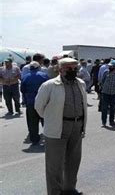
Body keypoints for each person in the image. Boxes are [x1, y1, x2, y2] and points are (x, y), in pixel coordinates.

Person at [35, 58, 88, 195]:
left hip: (77, 127)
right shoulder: (49, 85)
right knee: (54, 166)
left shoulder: (81, 83)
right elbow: (39, 107)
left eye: (74, 68)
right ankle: (54, 192)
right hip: (57, 128)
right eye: (68, 68)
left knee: (73, 162)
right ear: (60, 69)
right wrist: (52, 119)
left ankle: (69, 190)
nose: (72, 71)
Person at [20, 61, 48, 144]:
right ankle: (49, 137)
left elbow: (22, 90)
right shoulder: (44, 76)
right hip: (44, 102)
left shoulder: (25, 77)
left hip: (31, 102)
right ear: (38, 67)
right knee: (46, 121)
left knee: (32, 122)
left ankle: (34, 139)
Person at [100, 60, 115, 127]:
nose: (110, 67)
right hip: (105, 92)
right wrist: (102, 88)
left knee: (112, 108)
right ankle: (104, 121)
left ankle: (111, 121)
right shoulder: (106, 72)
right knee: (104, 108)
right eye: (109, 66)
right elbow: (102, 81)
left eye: (111, 66)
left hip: (114, 93)